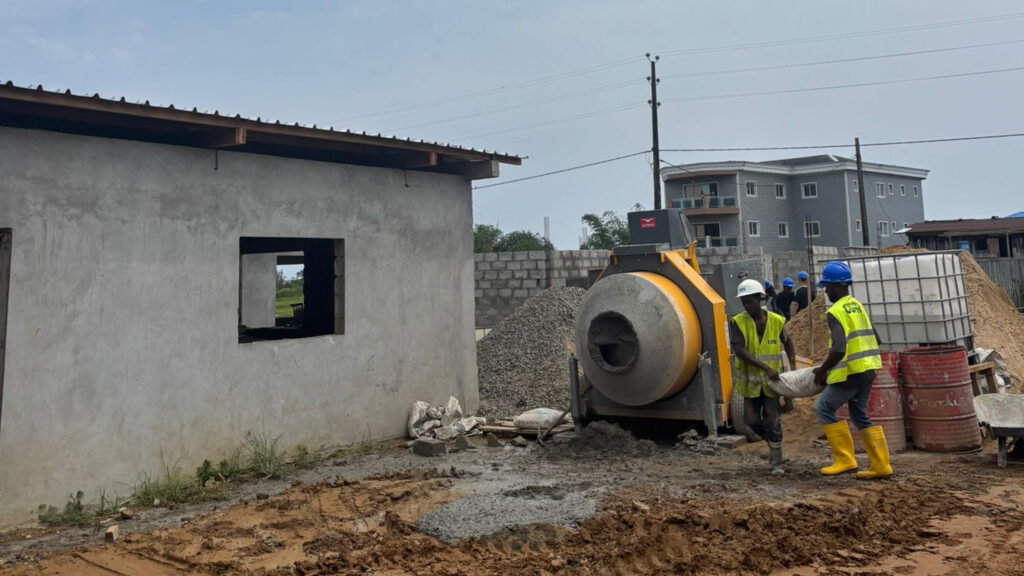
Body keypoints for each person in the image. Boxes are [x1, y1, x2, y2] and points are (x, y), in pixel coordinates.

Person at [812, 262, 892, 479]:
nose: (826, 291)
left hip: (851, 372)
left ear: (838, 286)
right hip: (868, 370)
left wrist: (822, 370)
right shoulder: (857, 305)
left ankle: (845, 459)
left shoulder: (835, 311)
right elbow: (876, 338)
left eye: (827, 286)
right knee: (859, 414)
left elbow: (839, 348)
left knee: (823, 408)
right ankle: (880, 464)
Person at [730, 279, 797, 476]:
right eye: (743, 302)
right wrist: (765, 367)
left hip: (770, 385)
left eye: (749, 301)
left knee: (773, 420)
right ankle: (772, 443)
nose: (746, 305)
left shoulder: (776, 321)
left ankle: (776, 462)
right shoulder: (738, 322)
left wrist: (792, 365)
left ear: (760, 299)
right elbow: (740, 350)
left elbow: (788, 341)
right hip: (750, 384)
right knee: (751, 422)